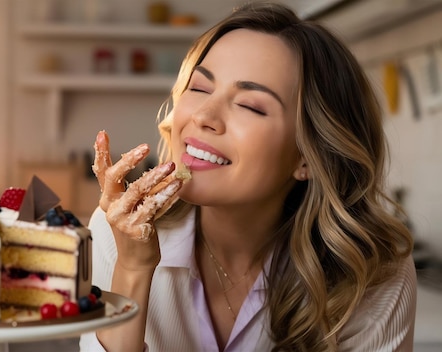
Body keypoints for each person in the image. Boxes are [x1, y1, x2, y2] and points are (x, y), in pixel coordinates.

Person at [80, 2, 416, 351]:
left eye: (250, 105)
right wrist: (133, 271)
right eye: (199, 88)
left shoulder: (373, 270)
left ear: (308, 156)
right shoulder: (115, 234)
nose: (204, 116)